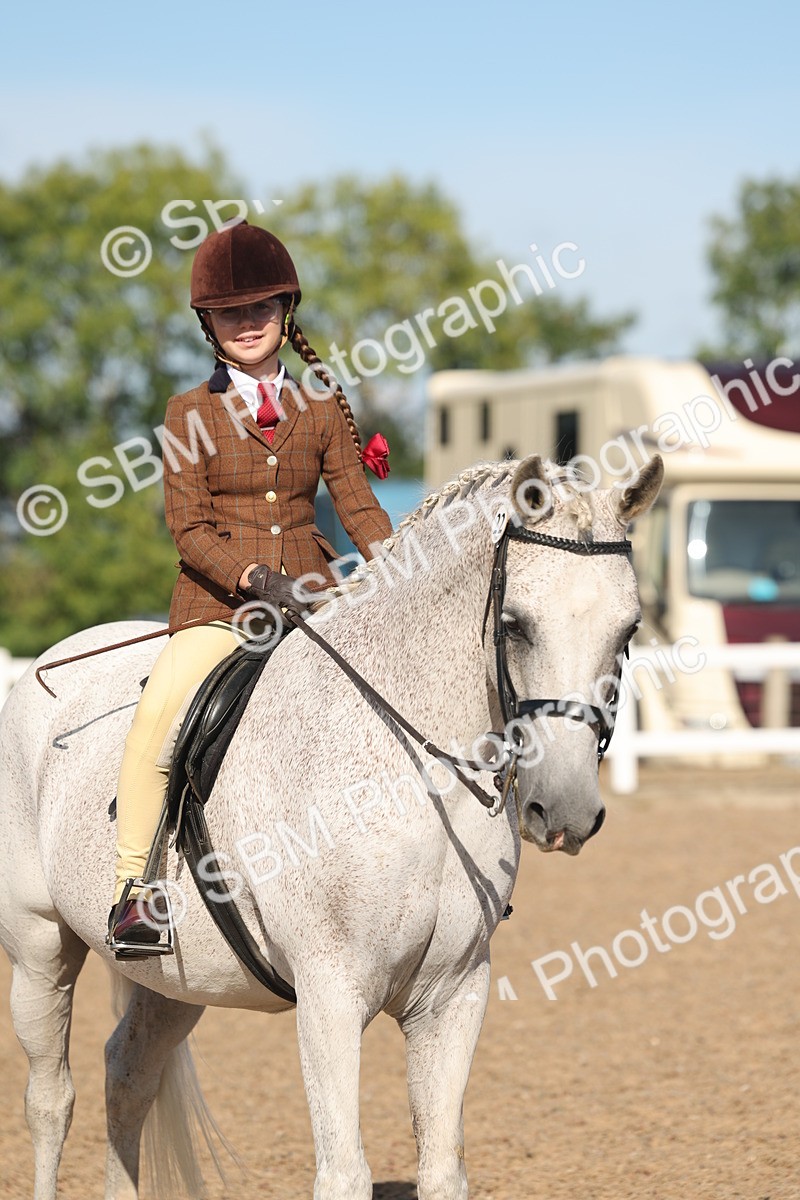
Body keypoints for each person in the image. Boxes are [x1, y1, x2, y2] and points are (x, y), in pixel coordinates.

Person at [108, 220, 393, 955]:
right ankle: (135, 890)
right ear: (208, 324)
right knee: (155, 727)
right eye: (230, 312)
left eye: (260, 308)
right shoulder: (188, 413)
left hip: (316, 600)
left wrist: (400, 567)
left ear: (285, 311)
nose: (247, 323)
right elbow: (189, 528)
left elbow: (357, 505)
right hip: (220, 607)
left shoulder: (319, 405)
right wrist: (255, 578)